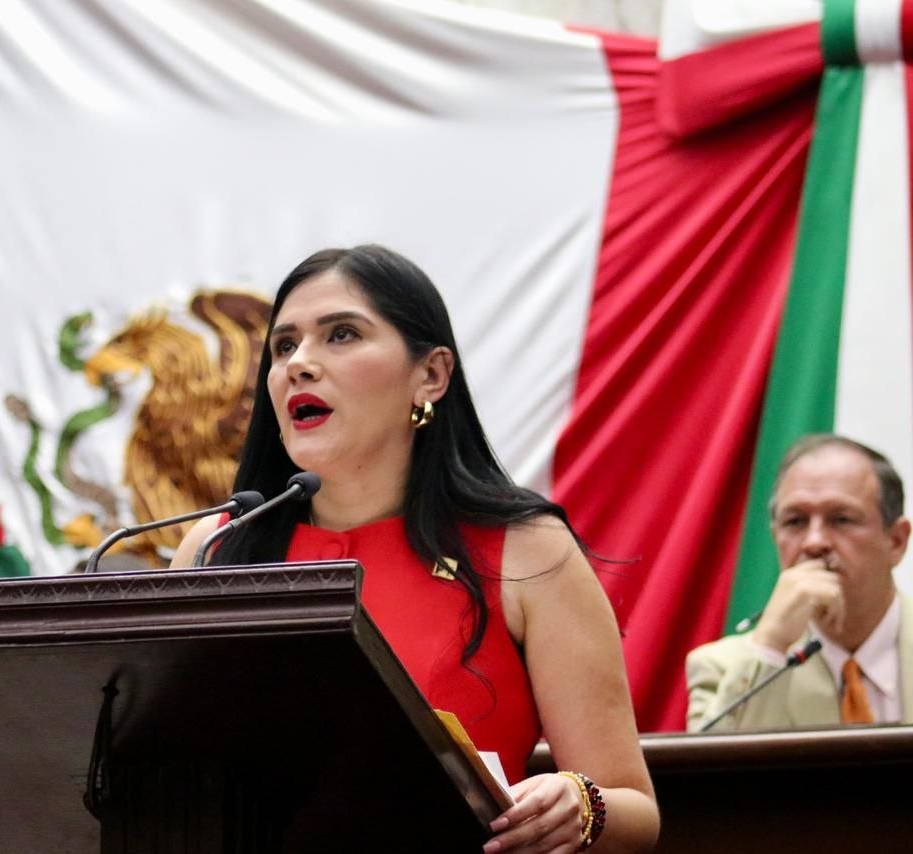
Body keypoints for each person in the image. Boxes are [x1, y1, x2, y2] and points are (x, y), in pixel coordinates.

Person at [172, 245, 658, 852]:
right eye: (284, 346)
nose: (300, 364)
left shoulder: (527, 550)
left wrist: (580, 805)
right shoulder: (216, 547)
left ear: (430, 375)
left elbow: (635, 809)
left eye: (342, 334)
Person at [686, 434, 913, 731]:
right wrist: (771, 645)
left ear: (896, 541)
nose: (814, 542)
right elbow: (713, 762)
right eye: (795, 521)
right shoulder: (722, 668)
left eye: (841, 519)